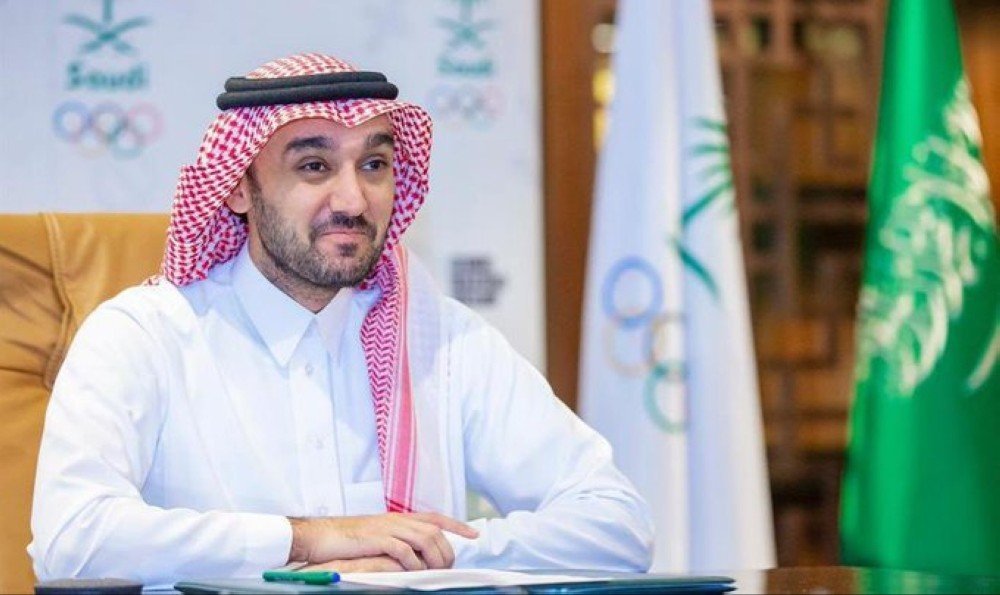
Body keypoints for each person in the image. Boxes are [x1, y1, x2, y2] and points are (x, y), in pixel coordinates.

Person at [28, 53, 653, 586]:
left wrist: (427, 553)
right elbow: (72, 540)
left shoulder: (441, 340)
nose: (353, 200)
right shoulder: (145, 335)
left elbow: (617, 524)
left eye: (374, 165)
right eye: (314, 166)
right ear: (238, 188)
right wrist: (307, 539)